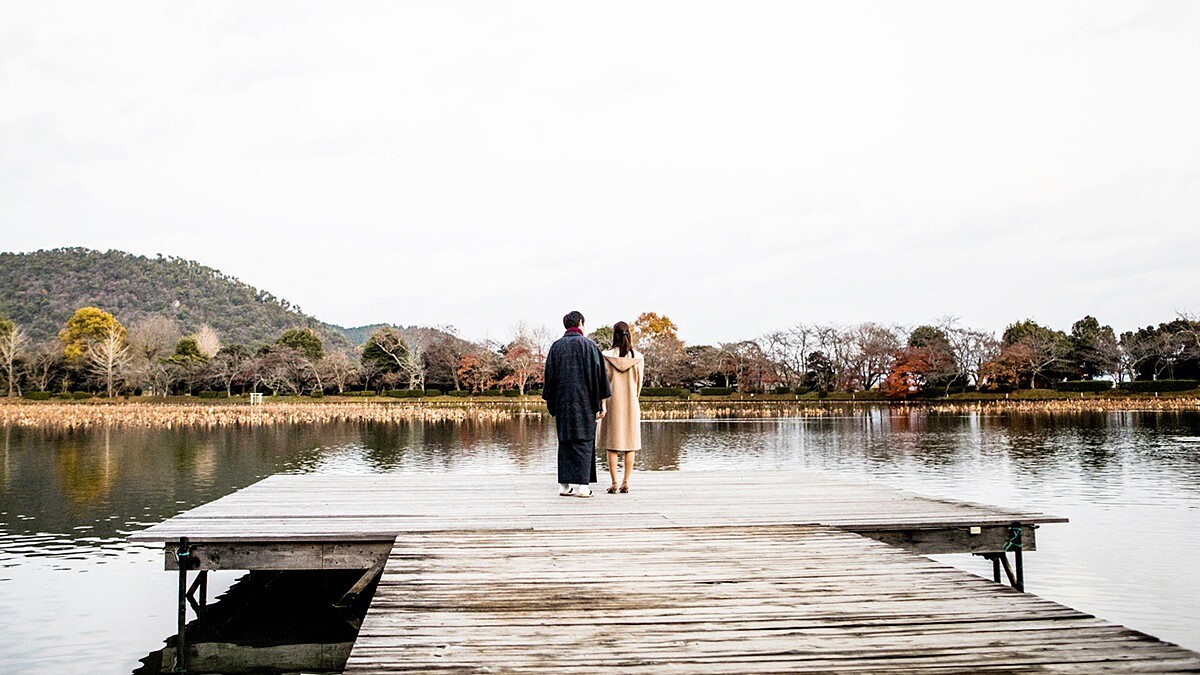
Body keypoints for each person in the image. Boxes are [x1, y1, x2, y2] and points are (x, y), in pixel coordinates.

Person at [542, 310, 611, 497]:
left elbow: (549, 378)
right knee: (584, 441)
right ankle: (583, 486)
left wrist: (552, 403)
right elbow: (600, 378)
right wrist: (602, 403)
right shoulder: (589, 346)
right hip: (585, 402)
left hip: (563, 403)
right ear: (580, 323)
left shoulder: (556, 347)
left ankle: (564, 486)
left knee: (565, 442)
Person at [598, 321, 644, 493]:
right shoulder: (638, 357)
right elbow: (639, 383)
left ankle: (614, 482)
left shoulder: (606, 356)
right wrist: (634, 397)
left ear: (614, 335)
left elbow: (603, 382)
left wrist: (602, 402)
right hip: (631, 402)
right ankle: (626, 481)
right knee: (629, 445)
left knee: (612, 445)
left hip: (611, 402)